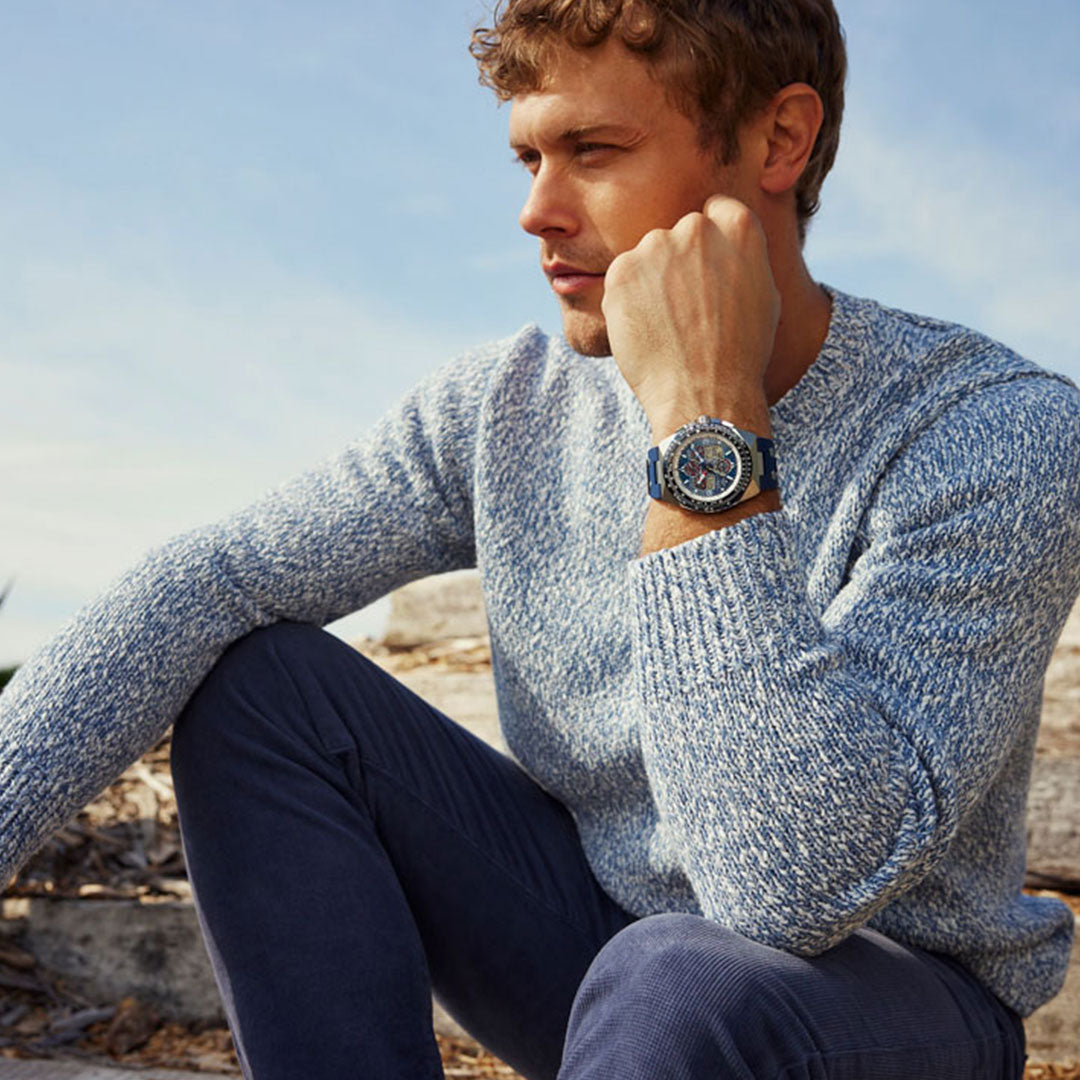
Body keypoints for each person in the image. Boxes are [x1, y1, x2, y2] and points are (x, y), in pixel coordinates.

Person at [1, 1, 1077, 1077]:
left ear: (778, 140)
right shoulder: (505, 405)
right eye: (527, 157)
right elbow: (209, 579)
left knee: (683, 978)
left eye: (593, 150)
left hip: (875, 1006)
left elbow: (787, 887)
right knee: (264, 692)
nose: (536, 210)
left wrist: (702, 420)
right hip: (601, 960)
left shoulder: (989, 431)